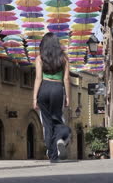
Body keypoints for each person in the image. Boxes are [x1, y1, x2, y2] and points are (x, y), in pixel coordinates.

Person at [33, 32, 71, 163]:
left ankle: (53, 157)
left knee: (47, 124)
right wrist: (67, 97)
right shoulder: (64, 58)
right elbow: (66, 79)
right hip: (57, 89)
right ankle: (61, 137)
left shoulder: (39, 58)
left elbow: (38, 78)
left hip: (43, 89)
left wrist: (34, 98)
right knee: (58, 120)